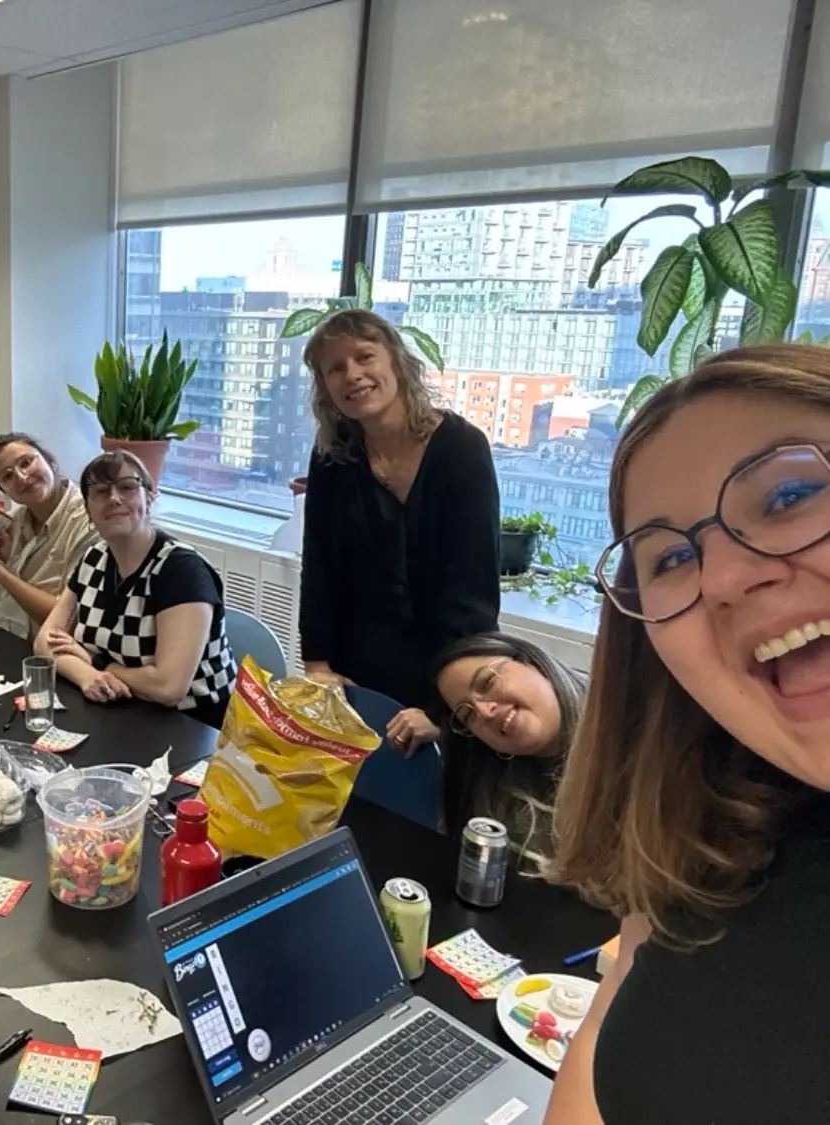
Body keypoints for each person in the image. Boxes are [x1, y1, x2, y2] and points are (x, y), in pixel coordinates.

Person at [544, 345, 830, 1124]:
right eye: (673, 556)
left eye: (791, 493)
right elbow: (614, 1008)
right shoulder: (715, 831)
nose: (727, 575)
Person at [296, 309, 500, 748]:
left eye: (364, 357)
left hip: (444, 680)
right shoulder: (334, 455)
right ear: (325, 388)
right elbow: (319, 567)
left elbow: (473, 589)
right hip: (354, 680)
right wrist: (317, 665)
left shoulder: (461, 449)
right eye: (335, 368)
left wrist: (448, 708)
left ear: (396, 362)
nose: (352, 375)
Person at [35, 451, 236, 728]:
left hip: (194, 729)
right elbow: (44, 641)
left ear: (150, 497)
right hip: (122, 713)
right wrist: (86, 676)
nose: (115, 498)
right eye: (101, 491)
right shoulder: (95, 557)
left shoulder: (181, 570)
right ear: (88, 510)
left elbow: (169, 688)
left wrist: (95, 660)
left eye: (127, 487)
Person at [429, 632, 584, 863]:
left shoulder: (641, 749)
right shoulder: (494, 805)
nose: (484, 712)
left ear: (533, 664)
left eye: (487, 683)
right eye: (468, 715)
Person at [0, 432, 98, 638]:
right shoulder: (13, 521)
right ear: (2, 489)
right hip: (3, 638)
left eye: (26, 462)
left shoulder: (89, 523)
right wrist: (2, 560)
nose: (21, 477)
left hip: (54, 656)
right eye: (7, 476)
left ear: (49, 459)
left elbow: (67, 620)